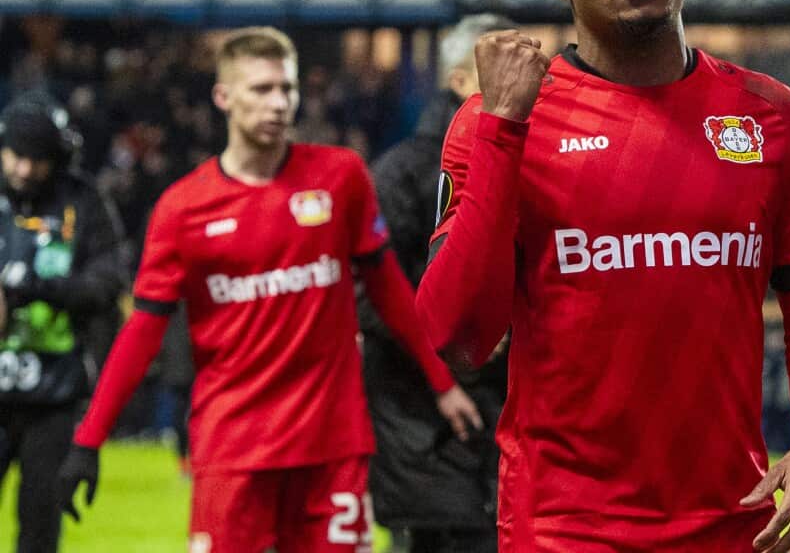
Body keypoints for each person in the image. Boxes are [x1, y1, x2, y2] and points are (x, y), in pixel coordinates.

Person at [415, 0, 790, 552]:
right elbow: (456, 336)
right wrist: (501, 129)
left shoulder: (771, 117)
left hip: (738, 524)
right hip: (562, 530)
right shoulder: (497, 121)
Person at [55, 27, 459, 553]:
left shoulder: (340, 178)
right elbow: (142, 333)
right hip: (234, 448)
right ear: (223, 97)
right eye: (261, 89)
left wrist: (442, 381)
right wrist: (89, 439)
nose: (278, 104)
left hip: (331, 446)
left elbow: (388, 290)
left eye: (286, 89)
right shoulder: (183, 209)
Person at [357, 14, 513, 553]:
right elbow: (367, 294)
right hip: (422, 426)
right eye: (497, 66)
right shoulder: (398, 175)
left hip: (495, 428)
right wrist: (450, 358)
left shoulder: (531, 161)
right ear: (458, 81)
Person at [0, 93, 126, 553]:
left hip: (54, 395)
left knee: (38, 529)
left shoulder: (84, 201)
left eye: (37, 160)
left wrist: (35, 289)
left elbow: (108, 281)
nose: (24, 170)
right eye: (16, 156)